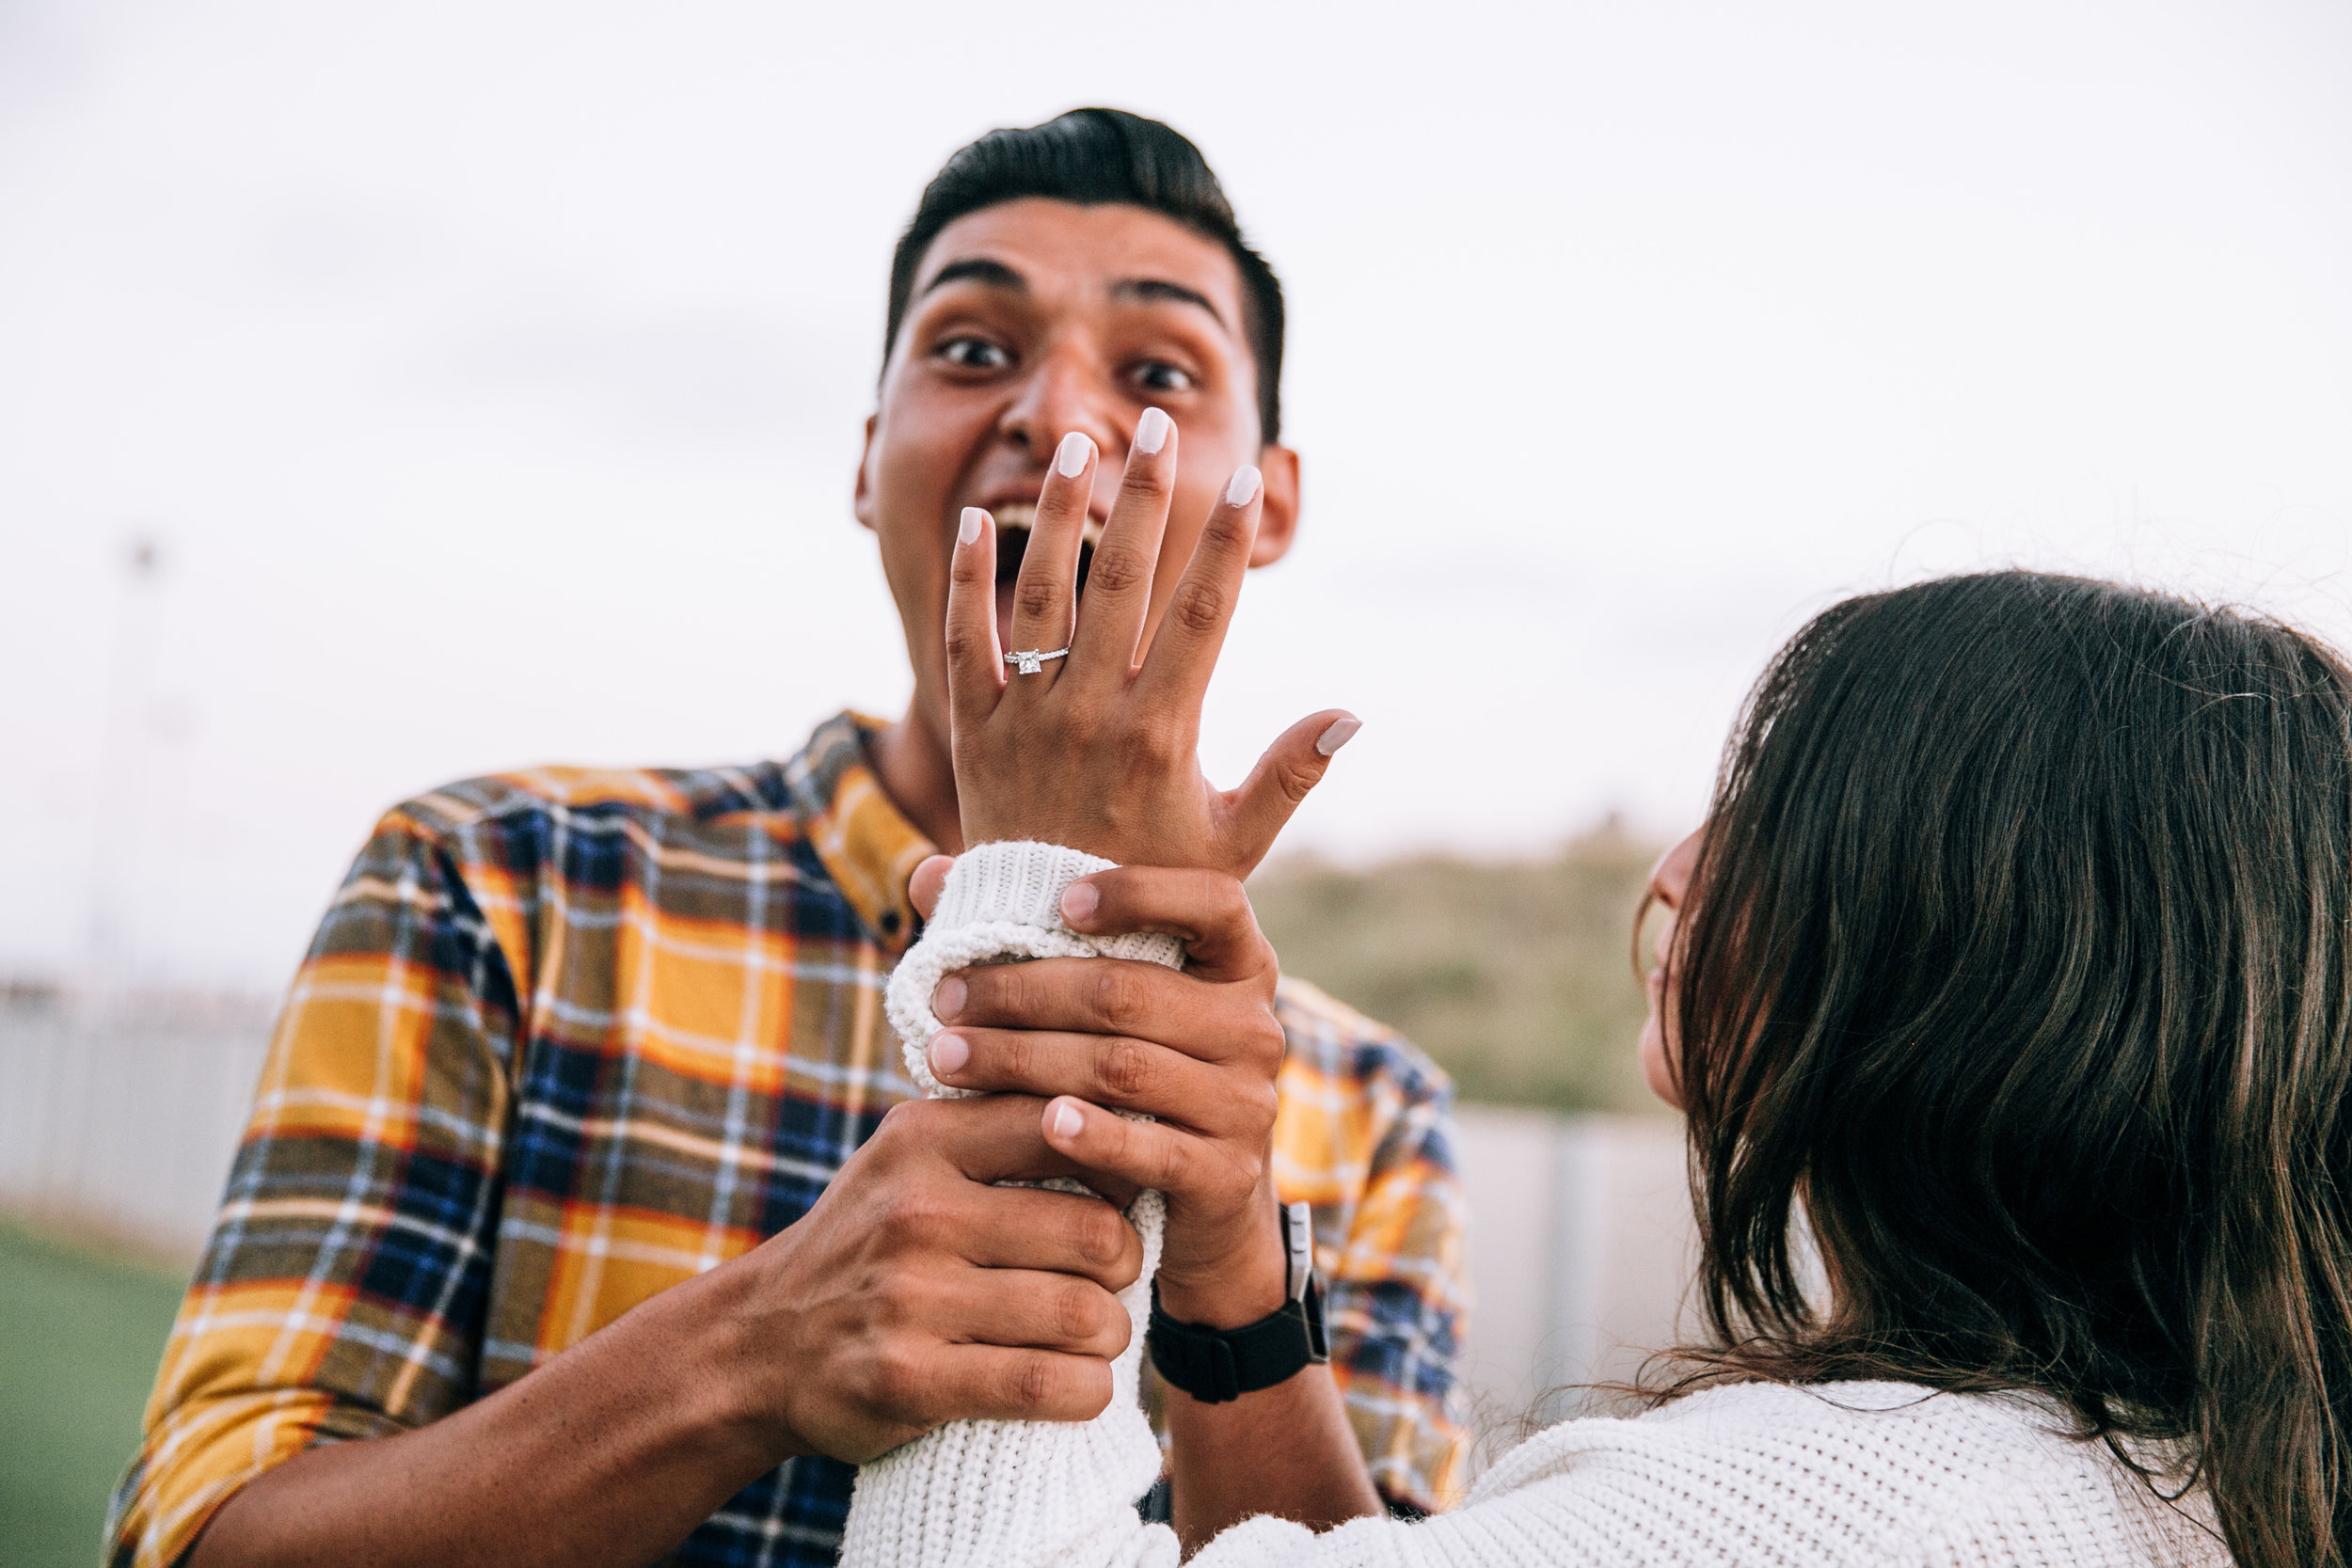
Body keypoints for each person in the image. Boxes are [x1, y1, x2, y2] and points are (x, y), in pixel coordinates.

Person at [107, 110, 1468, 1568]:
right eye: (970, 350)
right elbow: (198, 1540)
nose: (1061, 419)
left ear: (1272, 502)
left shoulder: (1364, 1109)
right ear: (872, 458)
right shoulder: (501, 889)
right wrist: (746, 1358)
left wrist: (1236, 1278)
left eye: (1157, 374)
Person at [879, 568, 2349, 1566]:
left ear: (1981, 947)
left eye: (1766, 811)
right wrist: (1229, 1275)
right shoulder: (2176, 1479)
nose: (1675, 871)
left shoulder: (1829, 1509)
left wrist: (1039, 913)